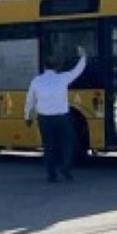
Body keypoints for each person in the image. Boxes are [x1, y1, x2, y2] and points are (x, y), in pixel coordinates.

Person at [25, 46, 87, 182]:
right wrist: (83, 57)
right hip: (62, 118)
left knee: (49, 146)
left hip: (44, 119)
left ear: (43, 66)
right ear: (57, 67)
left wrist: (27, 117)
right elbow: (78, 70)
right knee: (67, 143)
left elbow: (30, 100)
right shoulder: (63, 78)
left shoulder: (36, 80)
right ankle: (65, 166)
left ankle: (51, 174)